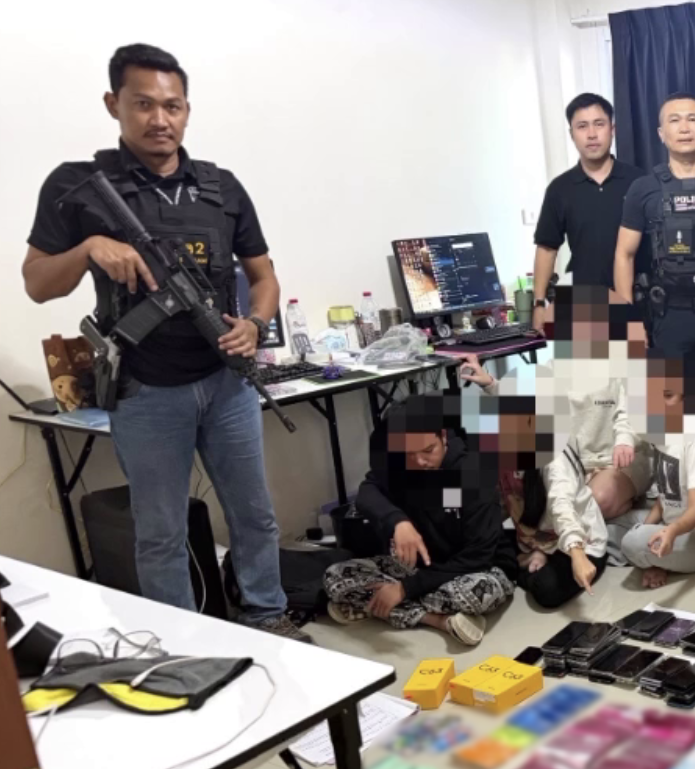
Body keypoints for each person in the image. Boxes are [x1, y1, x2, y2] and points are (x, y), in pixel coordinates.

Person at [20, 44, 308, 641]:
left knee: (255, 516)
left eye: (172, 106)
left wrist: (255, 325)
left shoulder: (221, 188)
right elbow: (37, 283)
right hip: (146, 390)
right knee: (161, 533)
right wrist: (89, 249)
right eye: (143, 104)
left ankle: (267, 616)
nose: (160, 119)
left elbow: (264, 277)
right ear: (114, 104)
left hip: (227, 382)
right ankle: (183, 647)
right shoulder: (78, 185)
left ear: (187, 110)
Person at [323, 395, 517, 646]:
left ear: (443, 437)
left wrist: (404, 589)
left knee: (476, 594)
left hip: (477, 569)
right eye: (408, 454)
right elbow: (367, 492)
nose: (419, 462)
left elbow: (477, 557)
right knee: (335, 577)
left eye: (428, 450)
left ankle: (382, 605)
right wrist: (398, 522)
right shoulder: (399, 465)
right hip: (420, 566)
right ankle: (435, 620)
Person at [460, 286, 653, 522]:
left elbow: (631, 411)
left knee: (596, 501)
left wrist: (624, 441)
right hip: (575, 464)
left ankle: (622, 502)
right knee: (536, 498)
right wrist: (490, 383)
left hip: (621, 460)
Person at [614, 93, 695, 363]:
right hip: (670, 315)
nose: (684, 128)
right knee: (672, 390)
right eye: (674, 120)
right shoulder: (643, 189)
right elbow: (624, 255)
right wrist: (629, 322)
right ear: (661, 133)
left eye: (693, 119)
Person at [532, 94, 648, 332]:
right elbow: (547, 248)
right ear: (572, 134)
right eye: (582, 126)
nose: (592, 134)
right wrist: (539, 303)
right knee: (590, 359)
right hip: (585, 305)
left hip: (639, 300)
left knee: (641, 357)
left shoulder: (639, 182)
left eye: (599, 124)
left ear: (612, 129)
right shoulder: (559, 189)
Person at [621, 357, 695, 588]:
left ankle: (654, 558)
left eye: (668, 396)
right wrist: (649, 529)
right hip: (673, 526)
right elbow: (665, 498)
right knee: (614, 527)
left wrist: (668, 533)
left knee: (632, 542)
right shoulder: (661, 435)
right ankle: (654, 556)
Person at [501, 459, 609, 609]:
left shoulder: (555, 459)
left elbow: (562, 507)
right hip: (532, 539)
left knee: (546, 589)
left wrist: (577, 554)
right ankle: (527, 560)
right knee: (483, 544)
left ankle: (518, 565)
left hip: (579, 540)